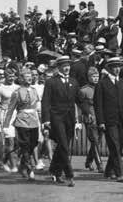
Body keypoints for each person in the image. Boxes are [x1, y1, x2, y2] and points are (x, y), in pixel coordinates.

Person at [94, 57, 123, 183]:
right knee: (115, 145)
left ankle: (108, 171)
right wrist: (100, 121)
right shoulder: (102, 84)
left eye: (119, 67)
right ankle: (119, 174)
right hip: (109, 120)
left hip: (122, 119)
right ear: (109, 68)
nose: (117, 69)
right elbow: (98, 105)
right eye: (114, 67)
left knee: (119, 146)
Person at [41, 55, 82, 187]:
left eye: (68, 65)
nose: (67, 68)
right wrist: (46, 120)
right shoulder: (51, 82)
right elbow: (45, 102)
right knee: (64, 145)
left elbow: (79, 100)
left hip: (69, 119)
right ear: (59, 67)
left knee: (62, 146)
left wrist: (87, 113)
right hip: (56, 118)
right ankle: (69, 175)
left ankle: (54, 170)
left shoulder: (74, 81)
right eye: (64, 66)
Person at [4, 68, 41, 180]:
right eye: (26, 76)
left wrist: (43, 121)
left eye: (30, 76)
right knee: (25, 144)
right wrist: (6, 125)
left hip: (34, 121)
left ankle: (23, 164)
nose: (29, 78)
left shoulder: (34, 90)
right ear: (21, 78)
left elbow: (38, 108)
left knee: (33, 143)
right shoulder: (17, 92)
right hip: (22, 121)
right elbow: (10, 109)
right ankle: (29, 168)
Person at [0, 69, 20, 172]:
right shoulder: (0, 89)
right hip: (5, 115)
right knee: (10, 141)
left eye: (13, 76)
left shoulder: (18, 87)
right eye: (9, 76)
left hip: (17, 114)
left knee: (18, 141)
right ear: (5, 76)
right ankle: (13, 165)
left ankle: (4, 160)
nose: (11, 78)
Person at [78, 67, 103, 172]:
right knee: (95, 141)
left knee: (97, 141)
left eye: (97, 76)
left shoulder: (101, 88)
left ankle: (88, 161)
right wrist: (86, 115)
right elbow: (81, 105)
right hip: (90, 118)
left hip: (100, 118)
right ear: (89, 77)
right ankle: (100, 164)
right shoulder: (84, 90)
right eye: (93, 76)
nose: (96, 78)